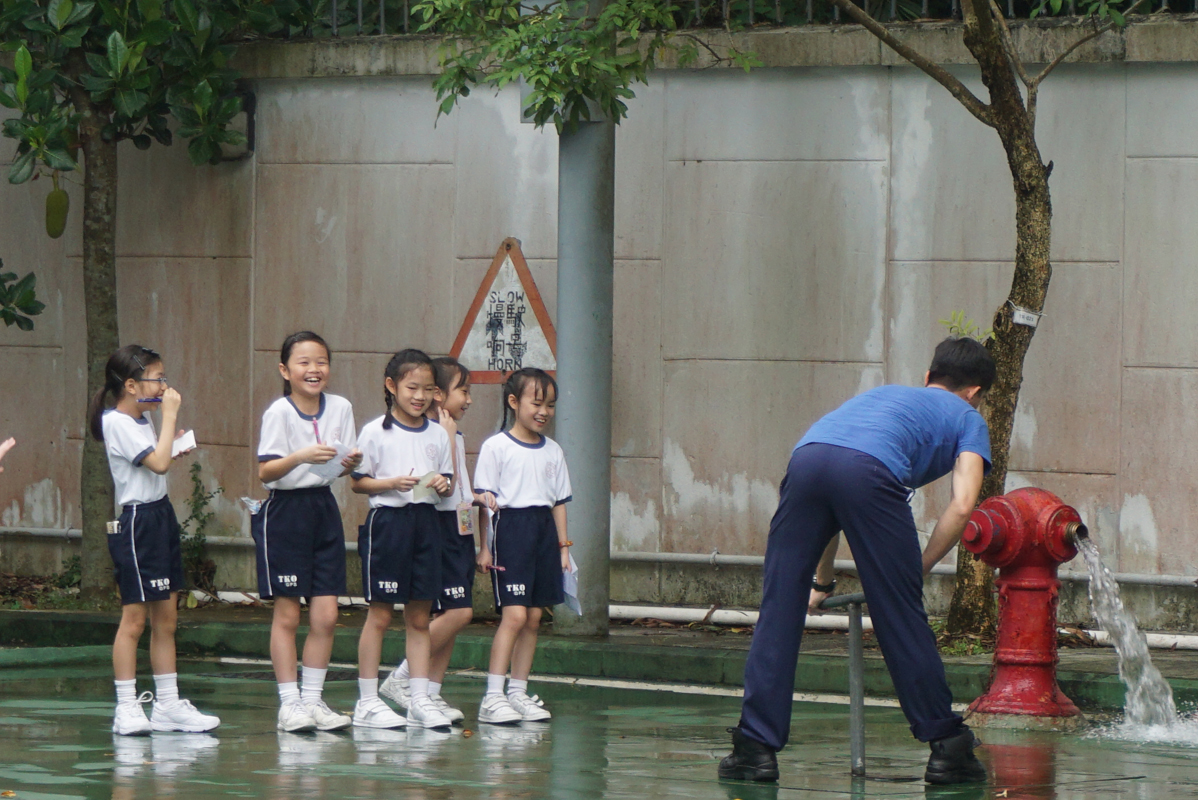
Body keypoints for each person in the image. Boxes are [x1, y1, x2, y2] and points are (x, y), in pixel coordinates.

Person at [719, 337, 996, 785]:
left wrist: (822, 581)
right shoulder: (968, 418)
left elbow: (834, 490)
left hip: (808, 460)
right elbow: (963, 506)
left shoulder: (882, 396)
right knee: (899, 613)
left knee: (778, 608)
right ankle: (948, 748)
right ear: (976, 393)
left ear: (928, 378)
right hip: (869, 472)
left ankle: (754, 747)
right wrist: (917, 567)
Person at [88, 344, 218, 736]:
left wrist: (171, 443)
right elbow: (156, 463)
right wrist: (170, 418)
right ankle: (127, 707)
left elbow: (157, 462)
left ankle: (167, 704)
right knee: (135, 618)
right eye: (157, 378)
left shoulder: (142, 420)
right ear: (130, 385)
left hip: (160, 514)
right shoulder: (117, 422)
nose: (164, 386)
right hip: (138, 523)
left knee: (168, 616)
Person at [253, 331, 362, 733]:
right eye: (304, 362)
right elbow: (266, 471)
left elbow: (345, 463)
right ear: (285, 369)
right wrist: (299, 456)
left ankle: (314, 700)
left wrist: (349, 463)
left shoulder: (342, 407)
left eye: (321, 362)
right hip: (286, 513)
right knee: (287, 612)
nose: (314, 370)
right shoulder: (278, 413)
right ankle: (289, 704)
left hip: (323, 507)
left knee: (328, 614)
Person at [351, 349, 455, 729]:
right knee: (380, 614)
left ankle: (420, 698)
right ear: (392, 386)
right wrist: (392, 483)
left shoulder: (438, 433)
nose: (420, 396)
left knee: (419, 617)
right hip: (388, 524)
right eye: (413, 387)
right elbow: (359, 482)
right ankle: (366, 701)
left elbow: (447, 481)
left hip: (427, 523)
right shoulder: (374, 431)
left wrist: (444, 484)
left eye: (428, 389)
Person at [380, 357, 479, 725]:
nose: (468, 400)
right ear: (440, 394)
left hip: (461, 528)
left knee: (455, 614)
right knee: (457, 612)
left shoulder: (452, 431)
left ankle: (431, 694)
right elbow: (435, 485)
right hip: (437, 525)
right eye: (463, 391)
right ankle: (404, 678)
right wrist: (448, 438)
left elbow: (461, 488)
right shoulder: (434, 433)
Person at [473, 368, 572, 724]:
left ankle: (517, 692)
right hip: (510, 531)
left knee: (532, 617)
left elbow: (559, 501)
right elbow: (485, 503)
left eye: (550, 405)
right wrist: (485, 548)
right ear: (514, 402)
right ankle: (492, 697)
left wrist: (563, 548)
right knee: (514, 615)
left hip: (543, 532)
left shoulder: (554, 451)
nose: (543, 411)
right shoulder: (495, 447)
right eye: (536, 402)